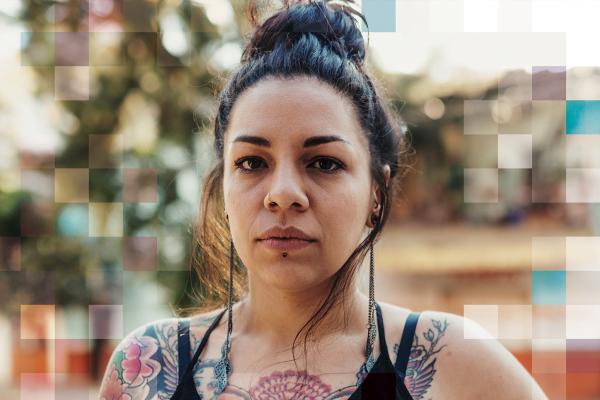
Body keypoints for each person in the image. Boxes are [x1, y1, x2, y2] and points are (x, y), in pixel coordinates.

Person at [99, 1, 549, 399]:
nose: (283, 194)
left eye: (325, 163)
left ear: (376, 193)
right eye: (252, 163)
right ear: (222, 188)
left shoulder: (452, 362)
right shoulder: (148, 370)